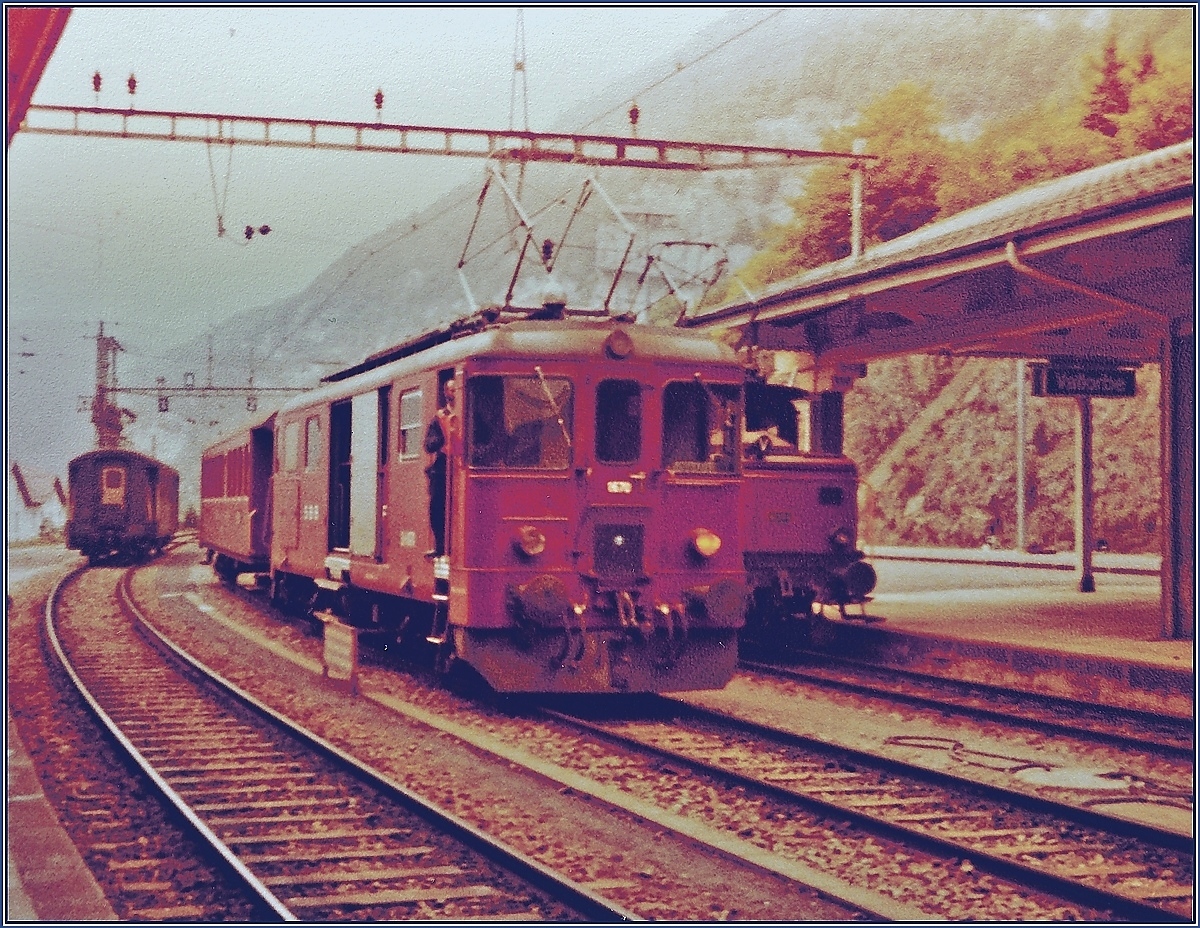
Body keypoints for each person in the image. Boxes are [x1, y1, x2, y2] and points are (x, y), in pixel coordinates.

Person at [424, 378, 456, 557]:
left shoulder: (472, 414)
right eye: (451, 390)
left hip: (463, 463)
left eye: (456, 389)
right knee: (437, 506)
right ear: (446, 393)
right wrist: (444, 438)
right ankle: (440, 546)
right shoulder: (439, 418)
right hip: (443, 466)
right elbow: (428, 444)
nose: (454, 393)